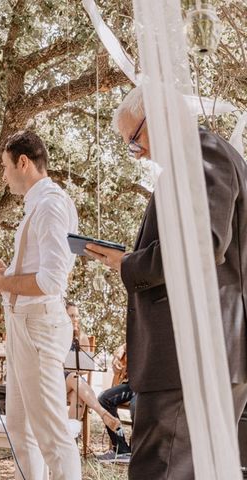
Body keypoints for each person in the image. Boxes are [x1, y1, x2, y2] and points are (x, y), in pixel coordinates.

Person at [86, 85, 247, 479]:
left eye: (134, 141)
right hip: (203, 352)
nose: (137, 153)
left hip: (191, 351)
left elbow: (201, 243)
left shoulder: (202, 151)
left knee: (159, 470)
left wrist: (129, 264)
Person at [0, 130, 81, 480]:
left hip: (39, 327)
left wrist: (2, 283)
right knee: (20, 428)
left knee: (52, 436)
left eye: (6, 167)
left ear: (24, 162)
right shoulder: (37, 205)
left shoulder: (51, 205)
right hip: (22, 325)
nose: (4, 175)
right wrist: (4, 271)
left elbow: (52, 281)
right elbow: (37, 268)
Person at [63, 303, 122, 435]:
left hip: (75, 383)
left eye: (77, 316)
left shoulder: (82, 338)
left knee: (77, 395)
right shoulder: (56, 336)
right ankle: (103, 413)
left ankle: (68, 439)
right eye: (71, 315)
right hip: (58, 382)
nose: (75, 319)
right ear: (63, 317)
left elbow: (85, 369)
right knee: (74, 378)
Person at [96, 343, 135, 463]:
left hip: (147, 385)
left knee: (137, 404)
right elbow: (124, 346)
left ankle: (137, 450)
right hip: (130, 384)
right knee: (104, 398)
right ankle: (121, 449)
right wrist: (117, 357)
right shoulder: (136, 334)